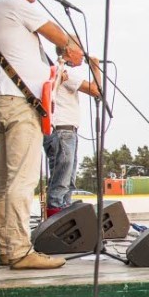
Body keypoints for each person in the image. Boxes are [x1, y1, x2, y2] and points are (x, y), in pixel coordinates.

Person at [0, 0, 82, 269]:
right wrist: (73, 48)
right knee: (22, 182)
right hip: (19, 105)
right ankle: (21, 251)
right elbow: (61, 38)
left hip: (0, 100)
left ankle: (8, 248)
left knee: (4, 183)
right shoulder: (13, 3)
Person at [44, 40, 101, 217]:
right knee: (62, 179)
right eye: (79, 50)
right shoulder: (64, 72)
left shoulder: (61, 72)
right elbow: (96, 90)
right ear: (69, 51)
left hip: (64, 131)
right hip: (63, 130)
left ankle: (63, 215)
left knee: (67, 179)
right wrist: (95, 67)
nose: (83, 54)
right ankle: (55, 216)